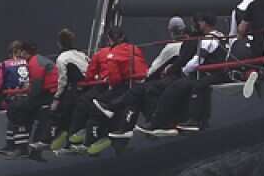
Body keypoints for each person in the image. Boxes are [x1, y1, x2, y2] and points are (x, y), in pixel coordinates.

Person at [102, 17, 191, 139]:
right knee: (139, 91)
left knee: (140, 90)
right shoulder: (192, 42)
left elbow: (155, 67)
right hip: (183, 77)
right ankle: (127, 121)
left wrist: (145, 78)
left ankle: (121, 117)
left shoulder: (172, 47)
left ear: (171, 31)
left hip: (175, 79)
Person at [139, 15, 226, 136]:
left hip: (207, 73)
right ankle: (162, 122)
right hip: (211, 72)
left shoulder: (208, 39)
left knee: (173, 88)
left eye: (198, 22)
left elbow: (197, 60)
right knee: (175, 86)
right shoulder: (219, 35)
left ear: (204, 23)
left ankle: (158, 122)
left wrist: (184, 71)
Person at [69, 26, 147, 156]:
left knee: (94, 108)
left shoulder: (105, 54)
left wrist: (92, 80)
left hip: (113, 87)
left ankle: (87, 141)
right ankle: (118, 146)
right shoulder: (135, 49)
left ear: (109, 39)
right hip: (134, 87)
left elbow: (99, 76)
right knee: (120, 115)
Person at [13, 41, 60, 160]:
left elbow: (36, 86)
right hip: (48, 94)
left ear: (25, 52)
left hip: (49, 95)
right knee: (35, 114)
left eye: (21, 52)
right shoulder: (37, 60)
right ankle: (33, 151)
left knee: (18, 109)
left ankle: (20, 147)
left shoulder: (35, 63)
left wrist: (27, 97)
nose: (20, 55)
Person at [46, 29, 89, 151]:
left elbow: (62, 81)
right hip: (88, 89)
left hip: (76, 91)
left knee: (61, 110)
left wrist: (56, 98)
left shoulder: (61, 58)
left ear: (59, 44)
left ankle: (59, 138)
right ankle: (70, 140)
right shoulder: (81, 54)